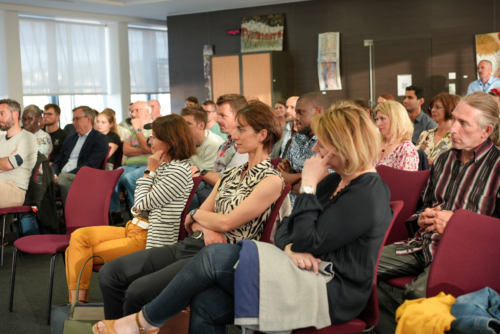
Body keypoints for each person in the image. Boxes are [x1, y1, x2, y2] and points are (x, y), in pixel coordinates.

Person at [92, 100, 393, 334]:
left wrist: (309, 186)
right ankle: (143, 321)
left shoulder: (367, 191)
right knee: (207, 302)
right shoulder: (335, 180)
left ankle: (144, 321)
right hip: (303, 272)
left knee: (215, 256)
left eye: (322, 144)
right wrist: (291, 248)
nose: (314, 149)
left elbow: (307, 238)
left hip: (333, 289)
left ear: (344, 146)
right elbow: (289, 231)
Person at [97, 100, 284, 321]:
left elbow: (225, 223)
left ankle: (126, 327)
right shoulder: (232, 174)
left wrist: (198, 217)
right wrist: (202, 223)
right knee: (110, 273)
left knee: (137, 291)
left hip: (220, 256)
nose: (234, 135)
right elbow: (192, 220)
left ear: (262, 135)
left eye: (241, 130)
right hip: (194, 243)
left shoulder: (271, 179)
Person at [376, 91, 500, 333]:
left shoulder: (497, 168)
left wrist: (458, 227)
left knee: (415, 294)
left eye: (463, 123)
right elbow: (427, 204)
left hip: (464, 256)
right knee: (359, 268)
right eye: (453, 119)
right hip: (425, 243)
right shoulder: (443, 161)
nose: (452, 128)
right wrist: (420, 218)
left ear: (486, 131)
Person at [65, 114, 195, 303]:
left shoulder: (177, 170)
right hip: (136, 227)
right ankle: (78, 304)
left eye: (155, 137)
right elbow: (138, 208)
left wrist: (149, 172)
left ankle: (77, 304)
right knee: (78, 237)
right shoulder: (166, 166)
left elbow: (140, 204)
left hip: (148, 238)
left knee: (76, 252)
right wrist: (151, 174)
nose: (150, 140)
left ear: (170, 141)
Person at [277, 92, 330, 208]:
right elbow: (280, 177)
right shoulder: (298, 137)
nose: (296, 118)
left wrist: (292, 178)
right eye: (296, 113)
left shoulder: (329, 141)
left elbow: (323, 185)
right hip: (286, 207)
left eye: (300, 112)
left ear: (318, 112)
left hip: (312, 209)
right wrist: (304, 176)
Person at [52, 106, 109, 209]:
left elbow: (91, 165)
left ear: (88, 119)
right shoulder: (70, 138)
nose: (74, 122)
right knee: (41, 184)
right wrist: (53, 175)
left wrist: (64, 176)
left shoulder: (100, 139)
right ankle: (49, 223)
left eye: (76, 119)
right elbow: (57, 161)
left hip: (83, 178)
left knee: (64, 179)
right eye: (73, 119)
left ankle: (71, 218)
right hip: (60, 178)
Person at [110, 101, 152, 225]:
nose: (132, 114)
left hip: (147, 166)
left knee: (130, 178)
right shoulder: (130, 130)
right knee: (111, 176)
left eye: (136, 110)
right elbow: (126, 150)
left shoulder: (154, 128)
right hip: (129, 165)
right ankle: (116, 212)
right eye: (131, 111)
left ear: (147, 111)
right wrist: (145, 149)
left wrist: (138, 130)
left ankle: (139, 215)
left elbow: (148, 149)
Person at [0, 99, 38, 209]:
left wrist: (7, 163)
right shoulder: (1, 138)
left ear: (15, 114)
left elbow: (10, 164)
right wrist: (5, 161)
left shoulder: (27, 137)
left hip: (15, 190)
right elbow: (6, 163)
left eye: (2, 114)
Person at [416, 93, 459, 164]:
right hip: (420, 174)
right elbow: (413, 158)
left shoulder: (456, 136)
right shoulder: (425, 134)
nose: (432, 110)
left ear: (451, 108)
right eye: (432, 107)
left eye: (437, 107)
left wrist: (429, 161)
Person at [375, 101, 419, 171]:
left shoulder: (406, 149)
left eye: (382, 119)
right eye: (377, 119)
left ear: (396, 120)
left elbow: (405, 180)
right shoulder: (375, 144)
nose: (378, 124)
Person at [180, 104, 224, 172]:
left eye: (188, 124)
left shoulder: (213, 143)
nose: (183, 128)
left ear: (201, 125)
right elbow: (190, 168)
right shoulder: (188, 141)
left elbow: (206, 174)